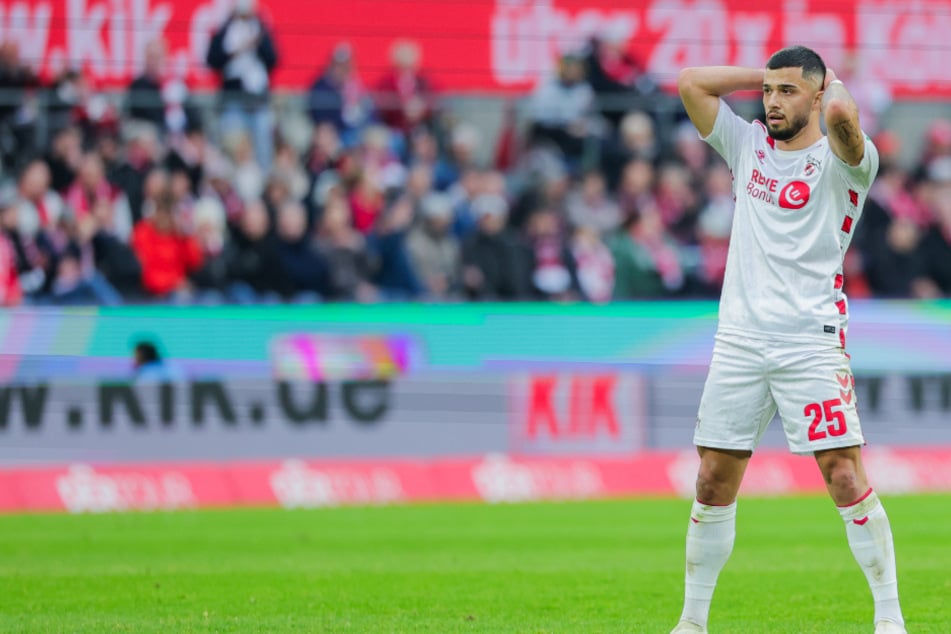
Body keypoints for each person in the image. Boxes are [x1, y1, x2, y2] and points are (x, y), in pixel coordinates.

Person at [671, 46, 904, 634]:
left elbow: (844, 123)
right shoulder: (746, 144)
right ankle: (693, 622)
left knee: (844, 476)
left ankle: (889, 618)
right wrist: (773, 75)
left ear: (820, 95)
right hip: (740, 343)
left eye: (787, 92)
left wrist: (827, 85)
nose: (772, 102)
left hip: (810, 341)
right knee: (711, 479)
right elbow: (692, 81)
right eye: (768, 93)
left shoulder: (847, 162)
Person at [205, 0, 279, 169]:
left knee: (263, 146)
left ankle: (263, 179)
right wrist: (236, 51)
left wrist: (257, 39)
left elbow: (273, 59)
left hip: (257, 101)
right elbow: (212, 59)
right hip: (234, 100)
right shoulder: (226, 30)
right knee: (232, 146)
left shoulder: (260, 30)